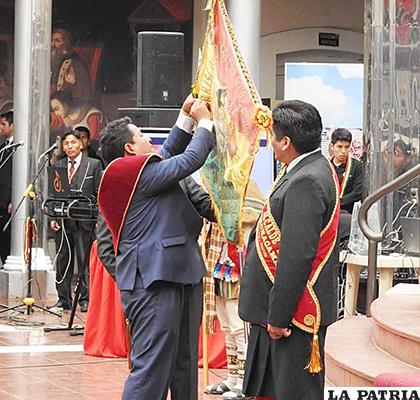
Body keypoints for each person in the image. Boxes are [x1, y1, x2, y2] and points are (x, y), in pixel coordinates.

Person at [98, 95, 215, 400]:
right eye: (140, 135)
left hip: (171, 276)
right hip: (152, 283)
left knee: (180, 366)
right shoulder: (133, 175)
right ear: (129, 148)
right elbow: (190, 159)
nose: (147, 139)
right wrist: (205, 122)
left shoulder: (138, 172)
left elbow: (167, 153)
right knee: (151, 372)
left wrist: (186, 116)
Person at [238, 100, 340, 400]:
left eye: (272, 136)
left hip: (291, 318)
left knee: (290, 392)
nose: (270, 143)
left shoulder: (306, 180)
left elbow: (296, 256)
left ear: (285, 141)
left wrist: (278, 317)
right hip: (281, 313)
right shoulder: (308, 168)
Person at [48, 130, 102, 312]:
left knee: (84, 259)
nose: (69, 146)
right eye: (66, 144)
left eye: (73, 142)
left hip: (85, 220)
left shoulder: (93, 165)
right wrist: (53, 217)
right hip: (63, 221)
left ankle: (85, 299)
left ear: (81, 144)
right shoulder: (60, 165)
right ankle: (63, 299)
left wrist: (97, 218)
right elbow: (54, 194)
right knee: (63, 259)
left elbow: (99, 193)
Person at [329, 128, 363, 240]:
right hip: (328, 212)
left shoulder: (357, 166)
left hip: (348, 213)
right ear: (332, 146)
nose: (343, 151)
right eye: (339, 147)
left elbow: (358, 193)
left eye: (347, 147)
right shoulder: (325, 166)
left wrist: (338, 202)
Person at [51, 28, 92, 104]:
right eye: (52, 40)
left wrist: (72, 83)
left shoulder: (75, 63)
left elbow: (80, 92)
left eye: (57, 41)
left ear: (65, 43)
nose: (52, 44)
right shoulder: (56, 60)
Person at [0, 110, 14, 265]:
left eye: (4, 124)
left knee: (9, 235)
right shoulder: (3, 146)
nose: (1, 128)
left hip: (9, 200)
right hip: (1, 198)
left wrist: (13, 199)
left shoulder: (20, 147)